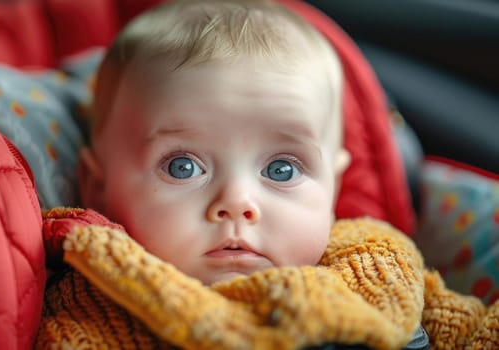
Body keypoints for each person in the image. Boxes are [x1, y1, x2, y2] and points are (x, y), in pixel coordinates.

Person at [35, 0, 494, 348]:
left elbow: (470, 331)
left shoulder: (375, 260)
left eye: (281, 168)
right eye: (183, 166)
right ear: (98, 186)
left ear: (333, 187)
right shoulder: (98, 296)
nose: (237, 201)